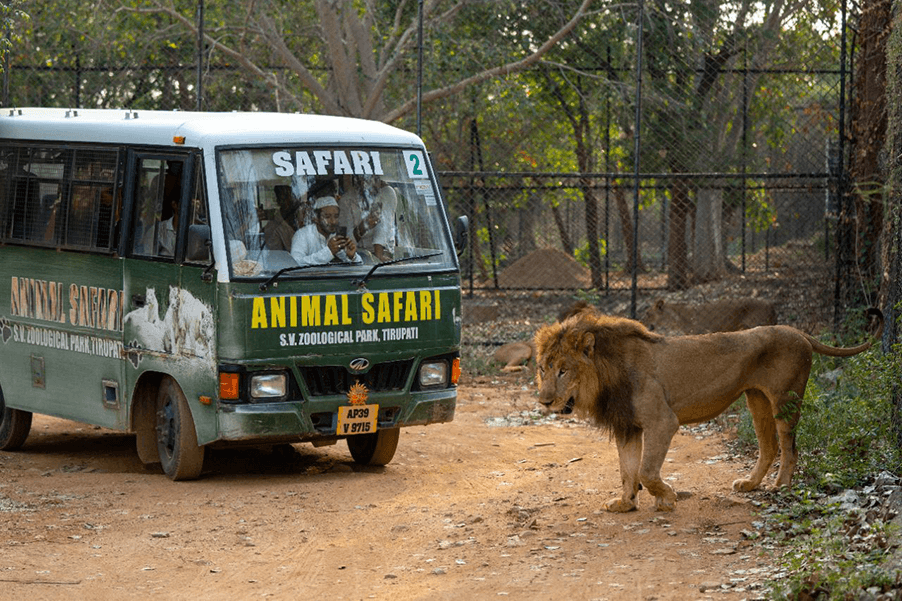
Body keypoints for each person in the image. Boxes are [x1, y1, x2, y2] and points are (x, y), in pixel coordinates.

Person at [338, 175, 396, 261]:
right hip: (357, 254)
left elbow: (384, 227)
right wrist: (363, 227)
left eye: (375, 178)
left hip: (383, 251)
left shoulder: (387, 192)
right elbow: (347, 242)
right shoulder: (346, 200)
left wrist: (378, 256)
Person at [290, 196, 361, 266]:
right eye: (327, 217)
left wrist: (352, 257)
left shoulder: (334, 237)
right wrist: (329, 252)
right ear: (316, 218)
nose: (333, 222)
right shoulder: (302, 235)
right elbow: (295, 263)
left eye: (336, 216)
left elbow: (359, 265)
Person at [264, 185, 302, 251]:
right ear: (278, 201)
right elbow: (278, 256)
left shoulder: (302, 220)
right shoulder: (272, 227)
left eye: (292, 196)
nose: (290, 200)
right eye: (285, 197)